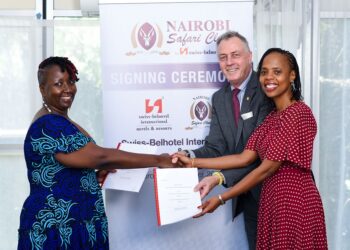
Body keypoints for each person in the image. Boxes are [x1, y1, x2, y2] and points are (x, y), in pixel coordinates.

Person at [173, 48, 328, 249]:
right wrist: (192, 161)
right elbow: (243, 158)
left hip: (294, 203)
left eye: (277, 71)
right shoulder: (272, 118)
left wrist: (221, 198)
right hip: (272, 201)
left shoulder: (298, 113)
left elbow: (267, 168)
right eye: (264, 72)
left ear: (292, 75)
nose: (269, 77)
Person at [17, 57, 173, 250]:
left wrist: (90, 177)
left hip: (80, 223)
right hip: (58, 230)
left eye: (71, 82)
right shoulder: (48, 124)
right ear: (42, 89)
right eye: (58, 84)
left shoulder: (61, 119)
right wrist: (160, 160)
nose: (67, 89)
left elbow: (68, 164)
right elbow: (100, 157)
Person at [176, 31, 273, 249]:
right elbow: (215, 147)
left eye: (235, 55)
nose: (229, 62)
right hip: (247, 197)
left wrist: (219, 177)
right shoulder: (219, 98)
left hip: (272, 194)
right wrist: (189, 155)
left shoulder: (267, 91)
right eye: (223, 57)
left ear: (250, 56)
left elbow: (258, 156)